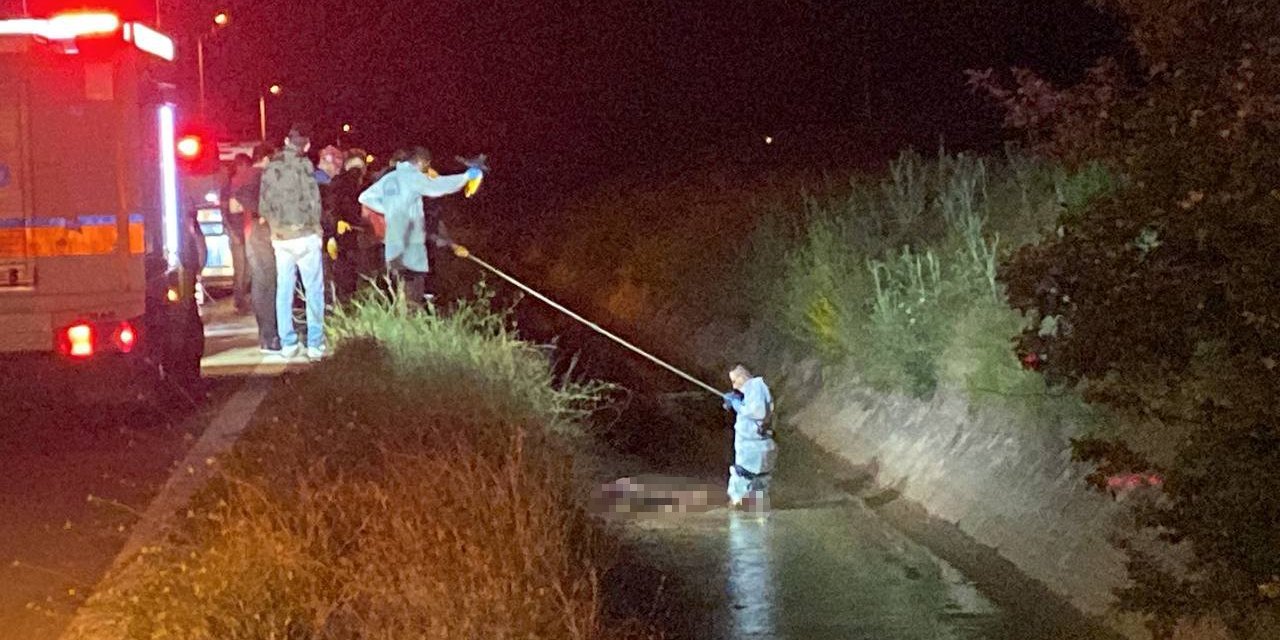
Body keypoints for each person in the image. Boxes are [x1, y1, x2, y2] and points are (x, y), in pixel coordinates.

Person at [357, 146, 482, 306]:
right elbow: (437, 187)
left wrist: (388, 210)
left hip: (393, 244)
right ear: (422, 162)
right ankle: (408, 323)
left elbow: (364, 197)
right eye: (427, 165)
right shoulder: (412, 177)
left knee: (399, 287)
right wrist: (466, 177)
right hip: (410, 246)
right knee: (413, 292)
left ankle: (400, 321)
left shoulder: (391, 177)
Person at [259, 124, 326, 360]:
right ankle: (315, 343)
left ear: (287, 141)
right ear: (306, 146)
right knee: (314, 289)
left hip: (281, 238)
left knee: (284, 289)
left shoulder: (271, 168)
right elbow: (313, 201)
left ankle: (288, 342)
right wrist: (316, 229)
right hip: (305, 235)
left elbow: (263, 205)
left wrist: (275, 228)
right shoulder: (305, 166)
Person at [230, 143, 279, 353]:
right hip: (265, 232)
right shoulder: (264, 176)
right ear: (267, 158)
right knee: (270, 282)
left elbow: (233, 207)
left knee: (260, 281)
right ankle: (271, 334)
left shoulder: (240, 177)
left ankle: (264, 335)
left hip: (249, 232)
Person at [723, 365, 777, 511]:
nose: (734, 385)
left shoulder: (755, 386)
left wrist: (737, 405)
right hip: (757, 448)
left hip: (753, 449)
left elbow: (758, 412)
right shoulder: (756, 390)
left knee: (742, 484)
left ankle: (736, 516)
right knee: (759, 489)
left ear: (742, 378)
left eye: (734, 381)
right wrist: (738, 401)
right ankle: (761, 520)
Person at [327, 152, 370, 300]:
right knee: (364, 278)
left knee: (344, 277)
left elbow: (331, 209)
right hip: (365, 236)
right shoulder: (369, 183)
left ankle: (345, 307)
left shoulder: (336, 182)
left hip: (343, 235)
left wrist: (333, 232)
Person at [222, 154, 252, 313]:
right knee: (240, 270)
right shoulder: (229, 186)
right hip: (236, 232)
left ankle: (245, 299)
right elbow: (225, 212)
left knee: (248, 269)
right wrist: (231, 232)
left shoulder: (244, 183)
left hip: (246, 230)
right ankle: (239, 302)